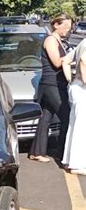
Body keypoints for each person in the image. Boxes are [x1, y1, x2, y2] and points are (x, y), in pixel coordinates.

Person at [29, 13, 72, 162]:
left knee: (46, 118)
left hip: (57, 83)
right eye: (65, 26)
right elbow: (57, 62)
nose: (68, 29)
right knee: (66, 116)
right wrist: (73, 57)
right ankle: (63, 153)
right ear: (56, 25)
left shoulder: (60, 41)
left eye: (70, 26)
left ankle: (37, 152)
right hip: (51, 84)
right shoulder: (51, 40)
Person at [61, 37, 86, 175]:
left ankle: (69, 160)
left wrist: (70, 80)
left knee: (75, 125)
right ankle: (77, 164)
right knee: (81, 127)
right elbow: (83, 59)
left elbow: (65, 61)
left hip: (77, 86)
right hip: (83, 88)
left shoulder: (83, 42)